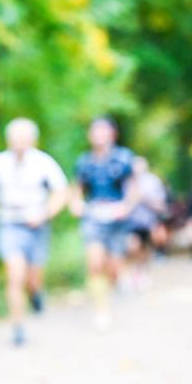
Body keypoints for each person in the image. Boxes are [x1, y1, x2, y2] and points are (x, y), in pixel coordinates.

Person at [0, 118, 68, 346]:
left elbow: (61, 193)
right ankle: (17, 325)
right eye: (14, 138)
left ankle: (36, 293)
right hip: (9, 223)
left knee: (32, 278)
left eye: (23, 138)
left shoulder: (44, 163)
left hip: (37, 225)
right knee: (14, 274)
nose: (18, 143)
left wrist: (44, 214)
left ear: (32, 140)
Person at [68, 116, 138, 330]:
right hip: (94, 217)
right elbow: (76, 189)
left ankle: (119, 278)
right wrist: (76, 203)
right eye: (95, 131)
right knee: (94, 264)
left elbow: (134, 189)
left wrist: (125, 207)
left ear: (112, 134)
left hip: (117, 218)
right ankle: (102, 311)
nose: (99, 135)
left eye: (103, 130)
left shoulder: (124, 158)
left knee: (113, 267)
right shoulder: (83, 162)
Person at [125, 156, 168, 289]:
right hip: (129, 222)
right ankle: (133, 273)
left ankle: (142, 272)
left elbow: (161, 204)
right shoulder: (126, 181)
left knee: (144, 249)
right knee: (132, 246)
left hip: (147, 222)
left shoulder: (153, 181)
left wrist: (144, 198)